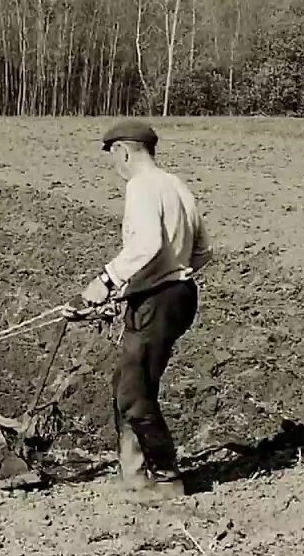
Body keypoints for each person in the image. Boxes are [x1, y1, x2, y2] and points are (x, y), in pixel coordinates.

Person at [79, 119, 213, 502]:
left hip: (158, 300)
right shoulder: (177, 186)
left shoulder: (140, 186)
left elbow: (148, 244)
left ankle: (166, 480)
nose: (115, 166)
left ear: (123, 151)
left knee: (136, 391)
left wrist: (105, 282)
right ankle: (133, 474)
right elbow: (203, 251)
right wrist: (159, 279)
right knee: (128, 381)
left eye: (114, 158)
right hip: (178, 295)